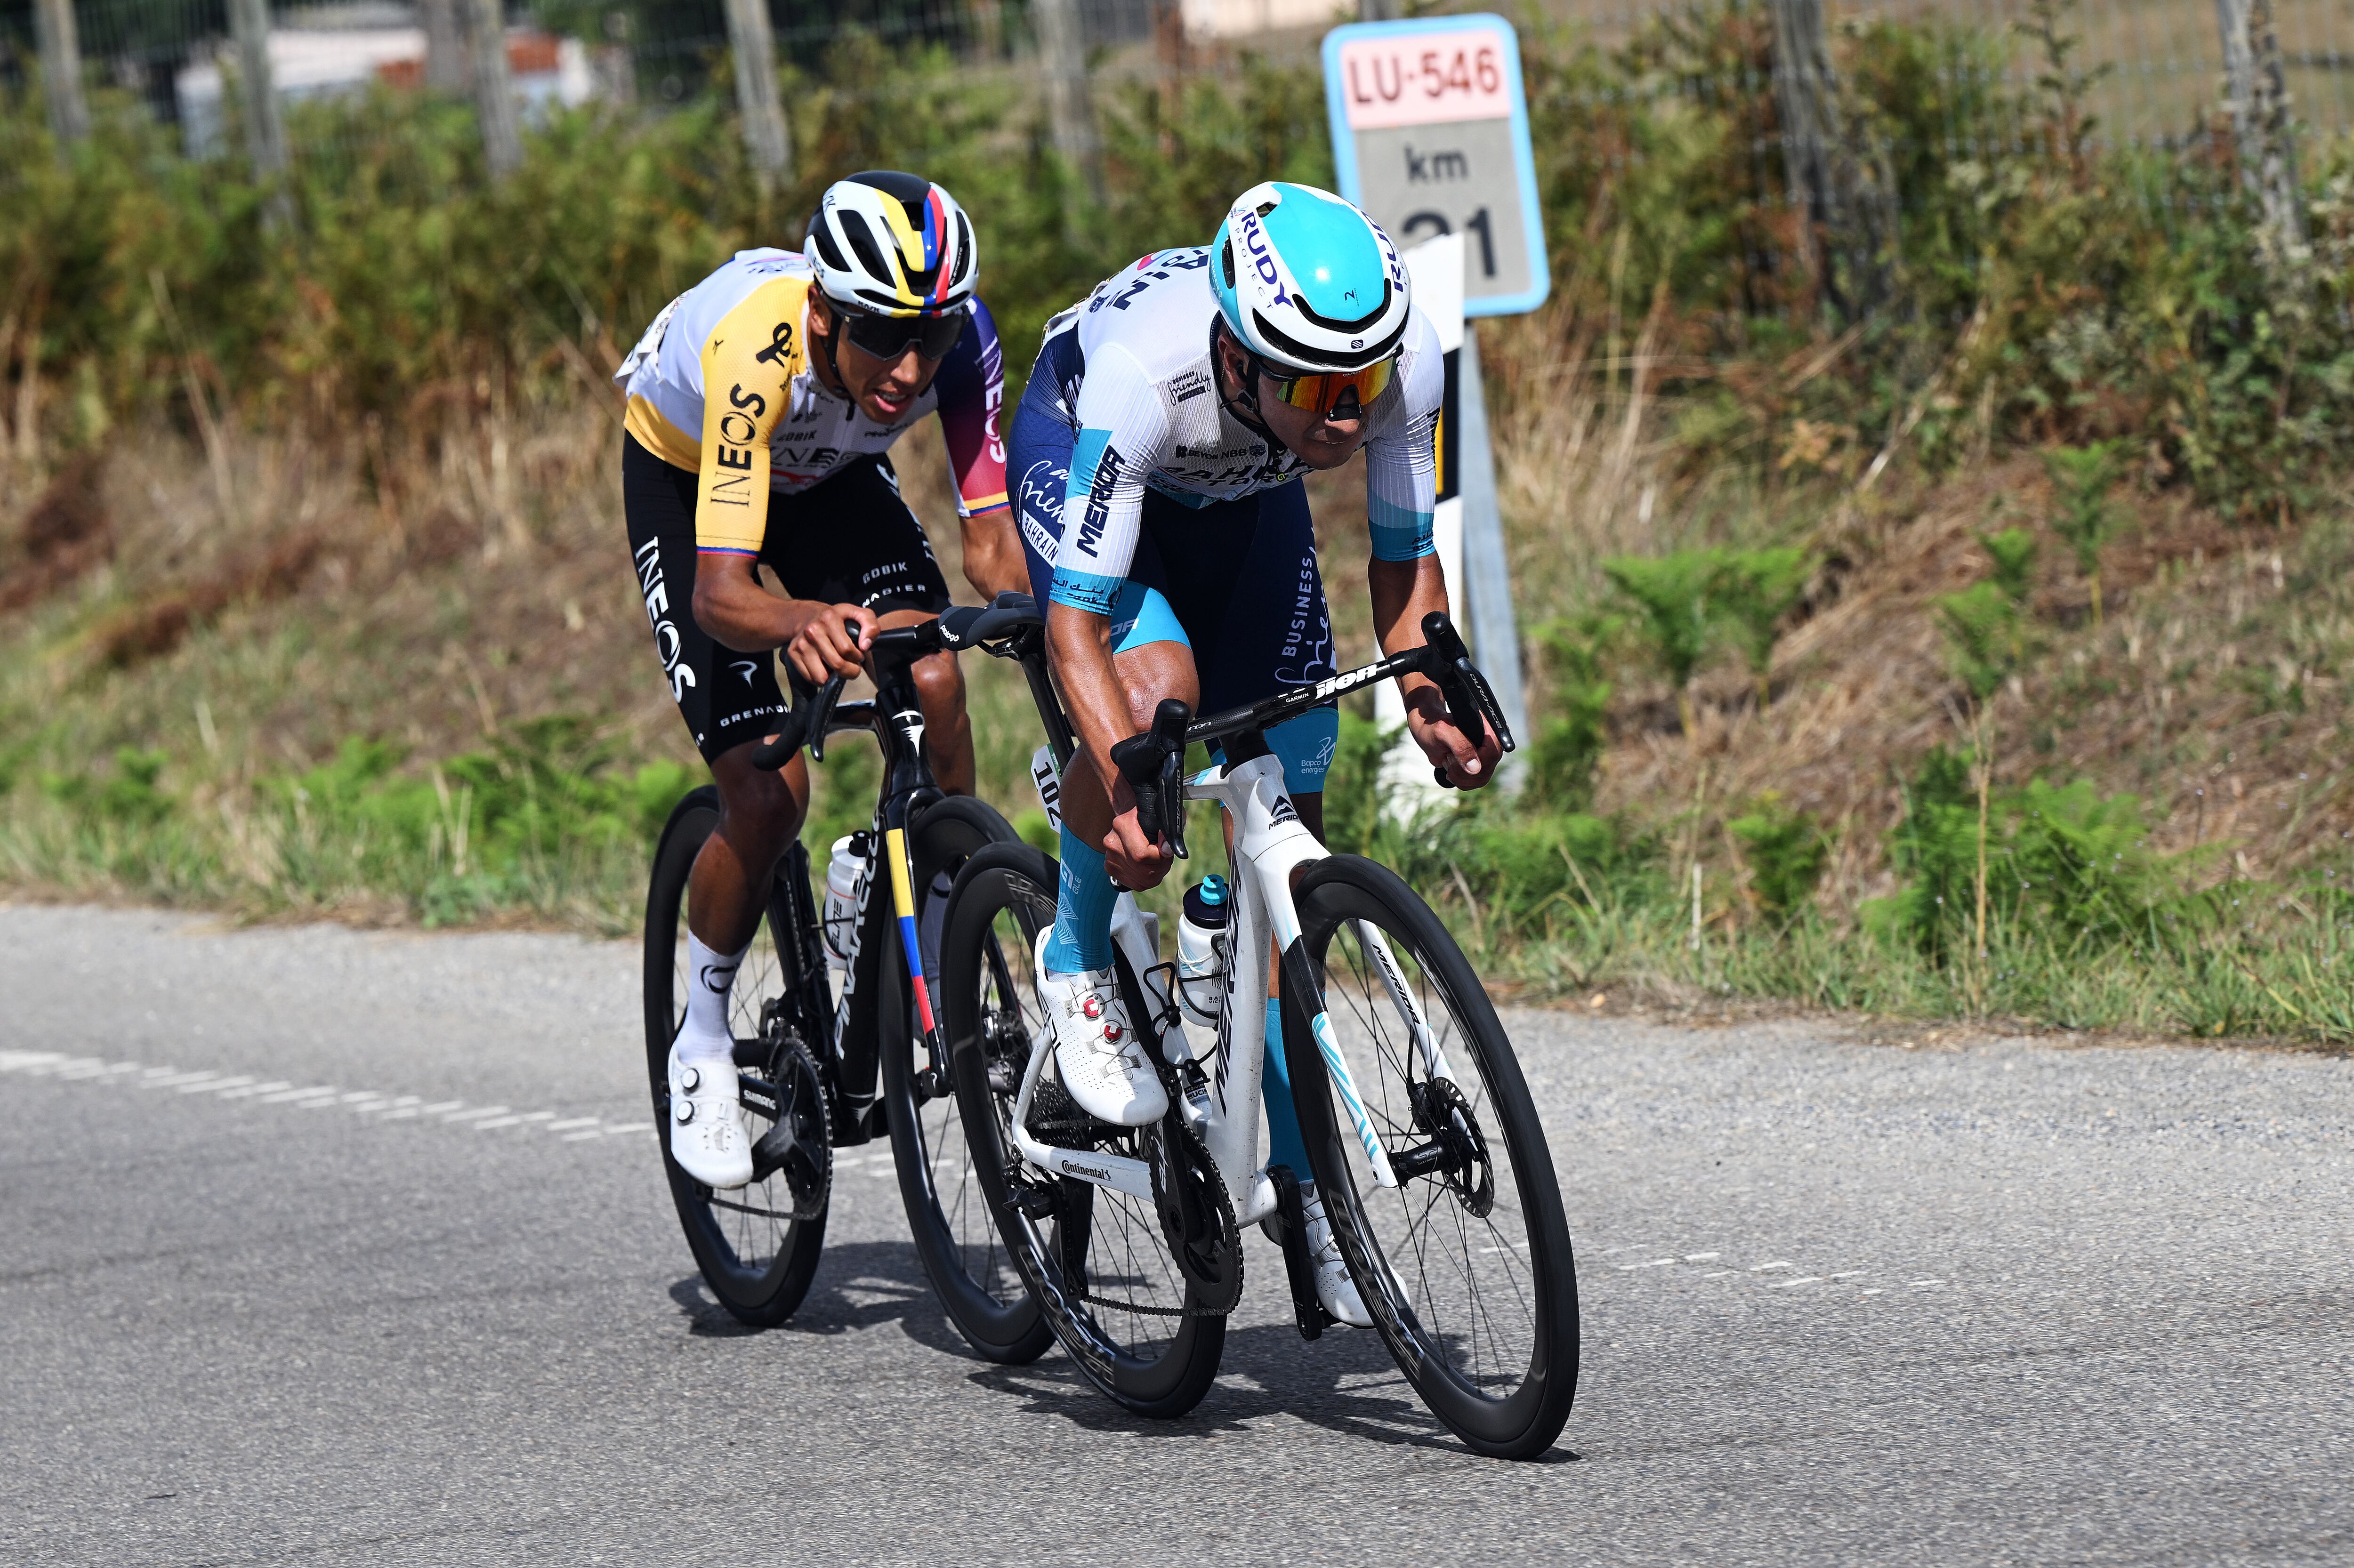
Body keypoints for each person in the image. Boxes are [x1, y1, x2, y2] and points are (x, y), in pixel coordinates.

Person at [1006, 181, 1501, 1326]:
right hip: (1089, 454)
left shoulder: (1392, 363)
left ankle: (1305, 1178)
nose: (1347, 416)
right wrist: (1124, 765)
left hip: (1241, 488)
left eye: (1363, 387)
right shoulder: (1146, 379)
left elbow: (1402, 561)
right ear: (1240, 359)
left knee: (1296, 770)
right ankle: (1078, 955)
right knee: (1159, 696)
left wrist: (1426, 686)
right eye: (1322, 390)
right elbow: (1076, 630)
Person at [617, 171, 1025, 1190]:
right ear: (824, 310)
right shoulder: (758, 355)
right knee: (767, 789)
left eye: (928, 337)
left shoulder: (961, 340)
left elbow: (993, 545)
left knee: (931, 673)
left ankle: (938, 904)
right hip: (690, 477)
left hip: (830, 477)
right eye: (883, 335)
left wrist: (1061, 625)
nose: (909, 366)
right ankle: (702, 1036)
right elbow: (722, 595)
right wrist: (798, 617)